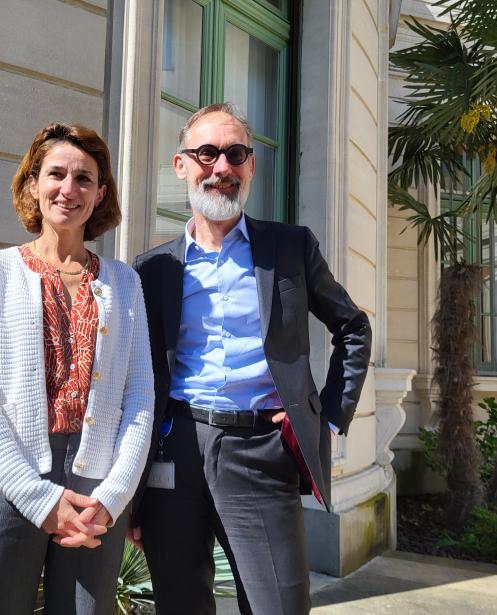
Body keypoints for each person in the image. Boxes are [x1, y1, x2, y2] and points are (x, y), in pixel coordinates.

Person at [131, 103, 372, 614]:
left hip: (262, 452)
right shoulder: (151, 270)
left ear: (251, 166)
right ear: (182, 166)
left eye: (235, 153)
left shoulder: (290, 248)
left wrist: (328, 415)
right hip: (174, 453)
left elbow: (353, 326)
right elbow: (137, 374)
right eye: (207, 153)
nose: (221, 167)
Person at [0, 122, 154, 615]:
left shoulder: (125, 284)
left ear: (101, 193)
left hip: (94, 493)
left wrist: (113, 494)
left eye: (84, 178)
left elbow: (140, 396)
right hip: (3, 480)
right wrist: (37, 498)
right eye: (56, 174)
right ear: (33, 184)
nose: (69, 189)